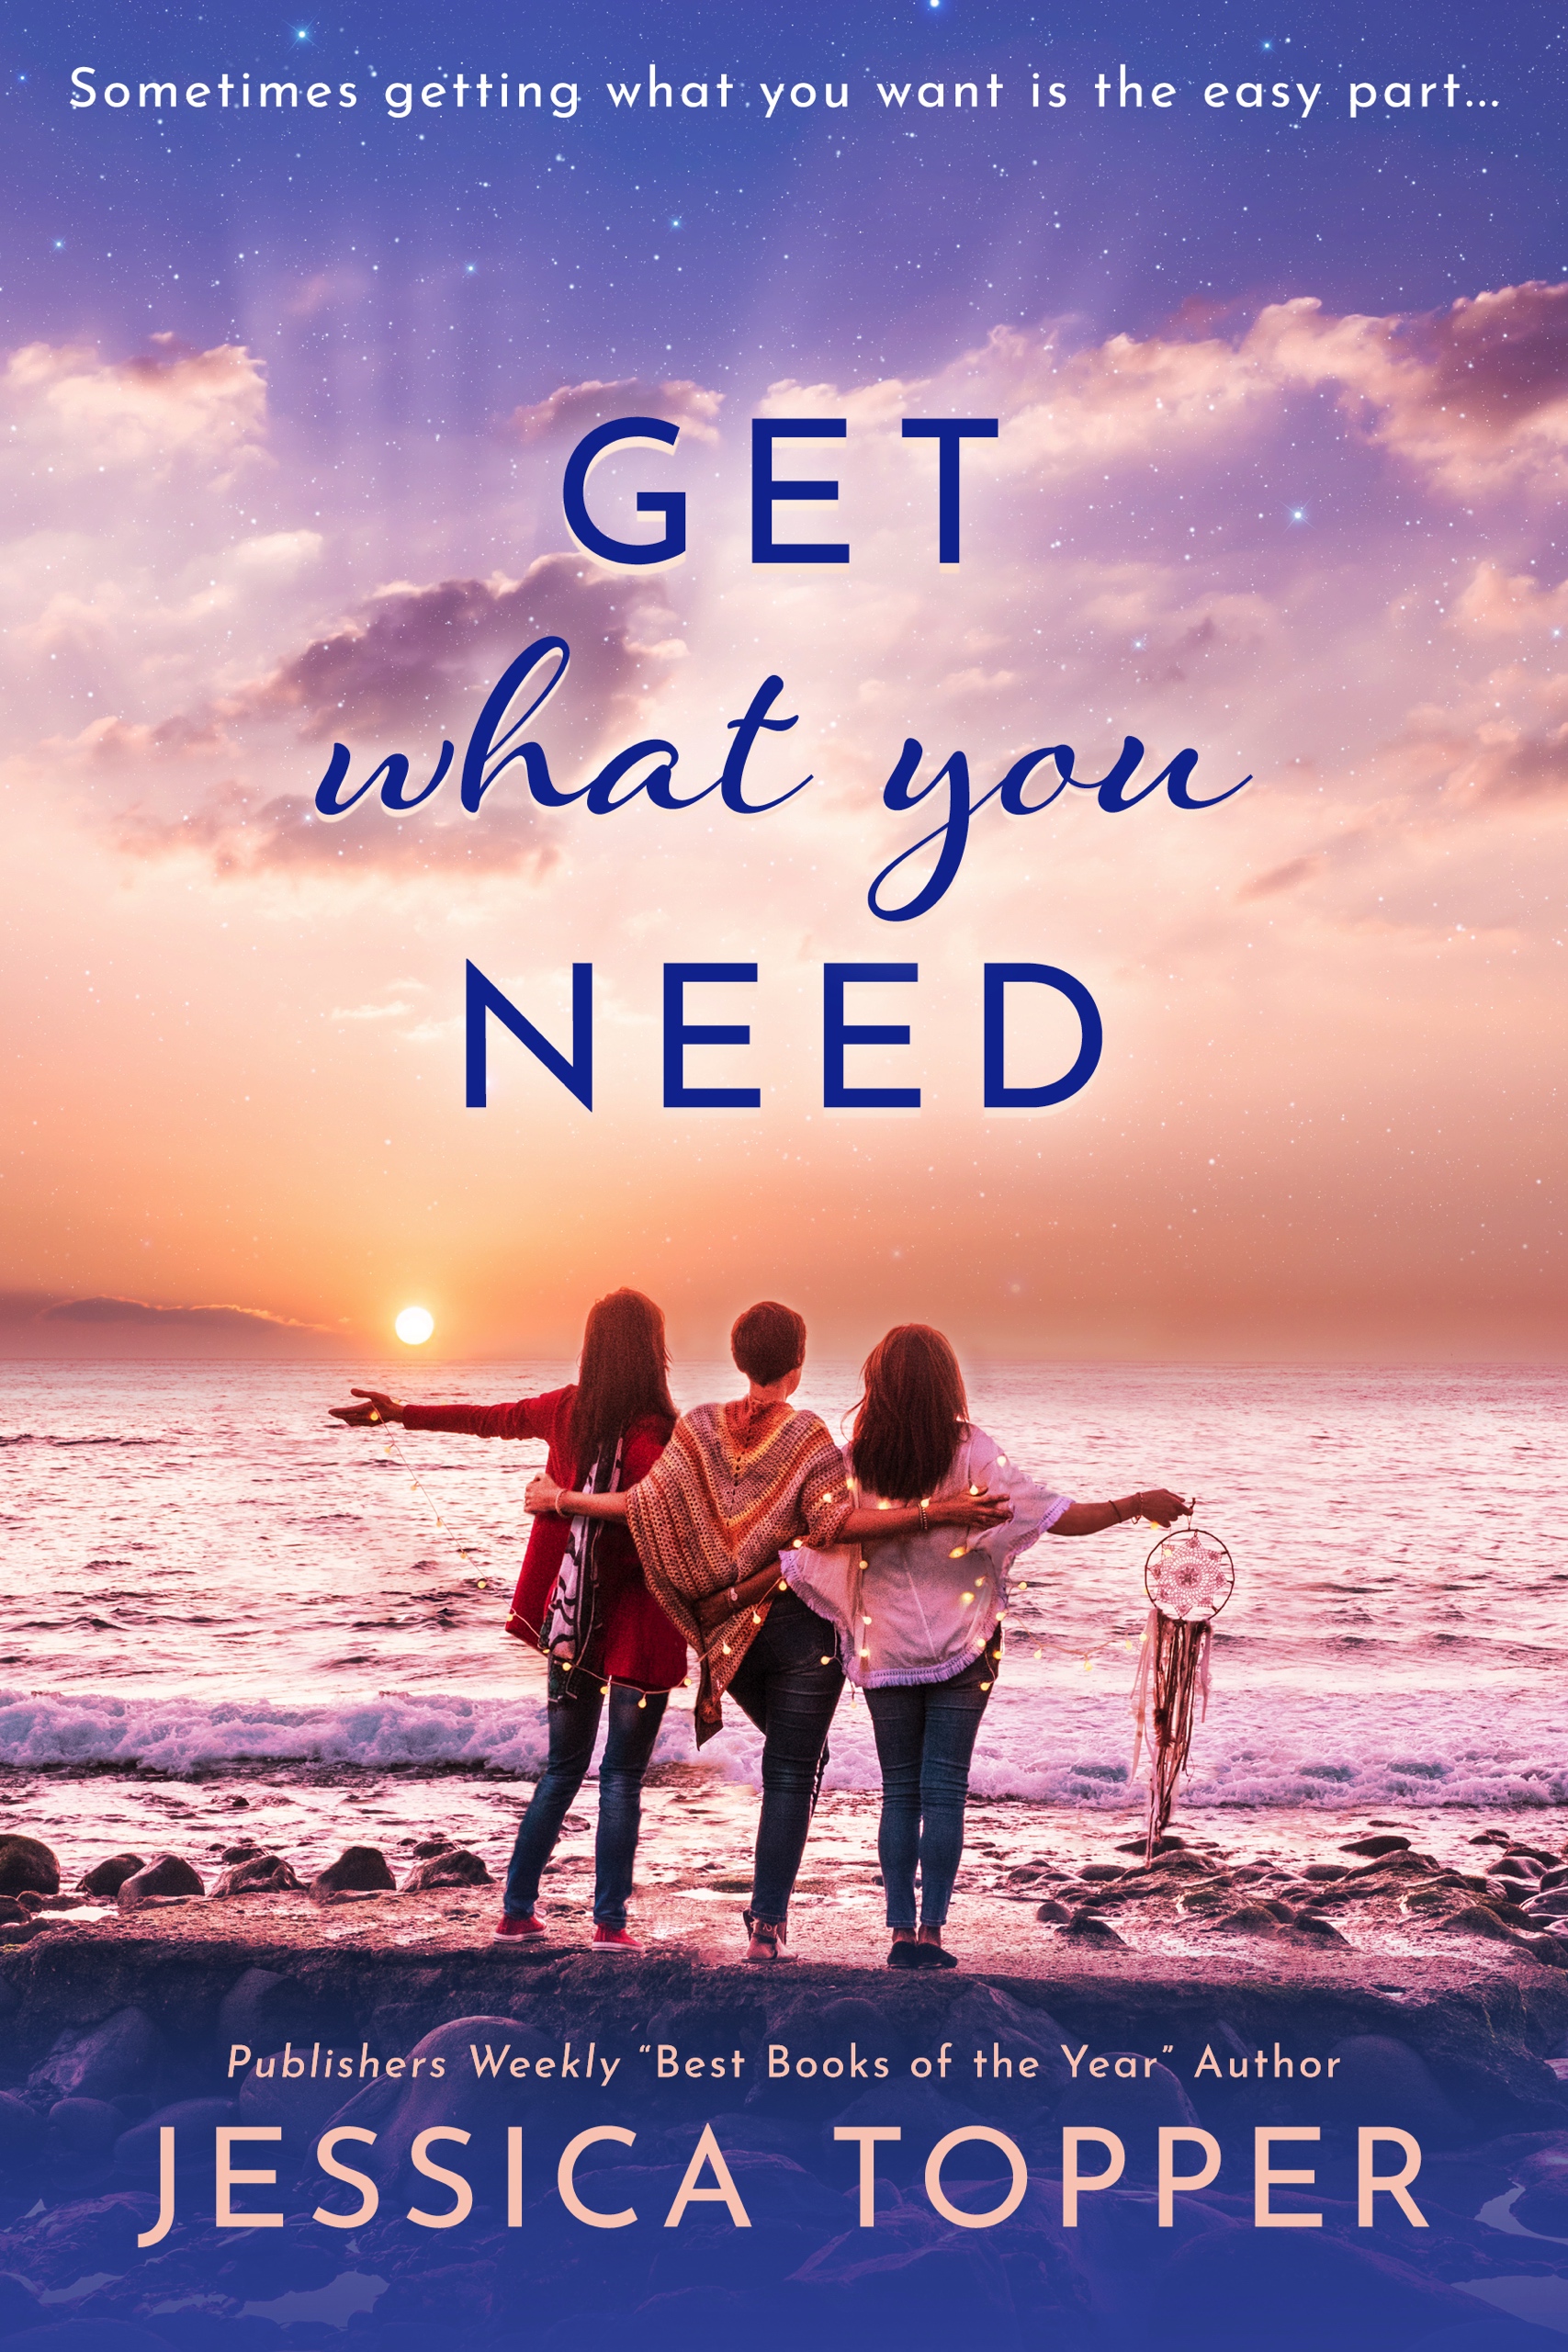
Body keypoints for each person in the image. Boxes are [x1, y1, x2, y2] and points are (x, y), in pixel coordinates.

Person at [524, 1300, 1009, 1962]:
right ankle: (766, 1929)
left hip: (729, 1638)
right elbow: (830, 1527)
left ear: (736, 1356)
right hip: (799, 1633)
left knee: (791, 1763)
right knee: (793, 1769)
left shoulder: (695, 1428)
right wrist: (940, 1513)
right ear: (799, 1360)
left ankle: (750, 1919)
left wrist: (562, 1499)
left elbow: (643, 1508)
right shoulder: (808, 1435)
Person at [786, 1323, 1189, 1970]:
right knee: (942, 1789)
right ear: (947, 1381)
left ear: (876, 1382)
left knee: (900, 1791)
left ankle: (897, 1935)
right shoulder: (972, 1450)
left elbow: (819, 1533)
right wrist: (1136, 1504)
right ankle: (932, 1936)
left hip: (884, 1644)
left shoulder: (852, 1459)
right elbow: (1061, 1517)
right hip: (965, 1642)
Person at [329, 1288, 683, 1951]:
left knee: (563, 1768)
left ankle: (516, 1912)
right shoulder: (657, 1435)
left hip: (572, 1616)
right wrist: (402, 1414)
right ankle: (609, 1925)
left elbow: (489, 1418)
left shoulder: (567, 1411)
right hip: (637, 1618)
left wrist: (401, 1414)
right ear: (653, 1351)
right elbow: (649, 1510)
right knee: (620, 1776)